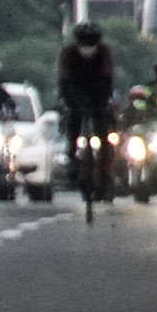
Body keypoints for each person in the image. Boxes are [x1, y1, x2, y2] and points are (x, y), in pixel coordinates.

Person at [56, 20, 117, 197]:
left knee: (103, 130)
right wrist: (70, 101)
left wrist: (103, 99)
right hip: (76, 90)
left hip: (97, 90)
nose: (88, 46)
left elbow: (107, 77)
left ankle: (105, 171)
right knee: (73, 120)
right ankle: (73, 157)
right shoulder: (68, 53)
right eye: (84, 41)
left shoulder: (105, 52)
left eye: (92, 41)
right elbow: (64, 80)